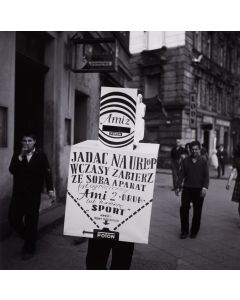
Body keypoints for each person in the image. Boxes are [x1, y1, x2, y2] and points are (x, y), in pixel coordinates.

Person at [8, 133, 55, 260]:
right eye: (24, 141)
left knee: (31, 221)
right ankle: (29, 238)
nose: (27, 143)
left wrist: (50, 189)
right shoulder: (18, 154)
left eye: (29, 141)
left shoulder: (41, 155)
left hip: (33, 194)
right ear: (21, 142)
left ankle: (30, 247)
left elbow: (47, 173)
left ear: (34, 142)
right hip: (18, 194)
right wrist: (20, 157)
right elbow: (12, 170)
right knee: (13, 218)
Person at [175, 140, 209, 239]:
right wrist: (178, 186)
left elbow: (206, 176)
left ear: (199, 149)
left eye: (196, 149)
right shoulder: (186, 160)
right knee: (184, 209)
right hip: (187, 189)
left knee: (197, 212)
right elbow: (181, 174)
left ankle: (194, 231)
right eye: (192, 149)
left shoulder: (203, 161)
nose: (194, 151)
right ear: (189, 150)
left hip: (199, 190)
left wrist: (204, 188)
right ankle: (184, 231)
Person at [226, 144, 240, 216]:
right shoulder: (237, 160)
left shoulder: (237, 160)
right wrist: (228, 183)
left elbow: (233, 172)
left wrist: (229, 183)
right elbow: (233, 172)